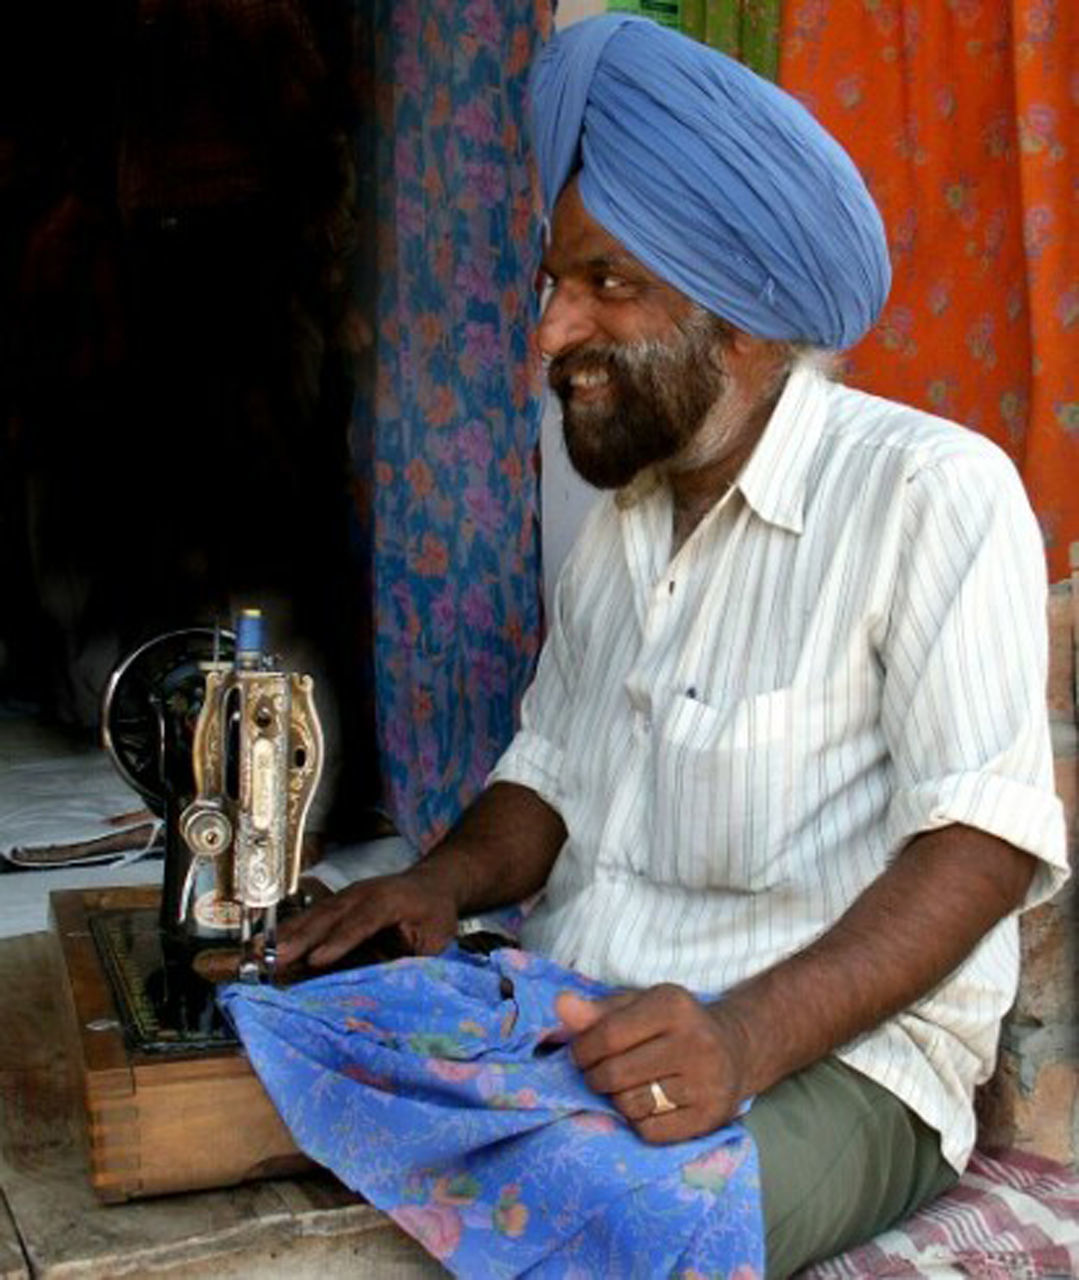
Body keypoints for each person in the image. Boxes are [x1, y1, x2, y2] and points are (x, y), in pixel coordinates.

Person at [277, 16, 1068, 1277]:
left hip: (838, 1067)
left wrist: (741, 1037)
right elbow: (547, 777)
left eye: (605, 283)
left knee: (602, 1212)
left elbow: (979, 843)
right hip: (588, 1008)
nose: (547, 332)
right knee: (279, 1027)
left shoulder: (931, 493)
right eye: (552, 284)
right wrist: (434, 883)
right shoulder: (624, 524)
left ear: (741, 318)